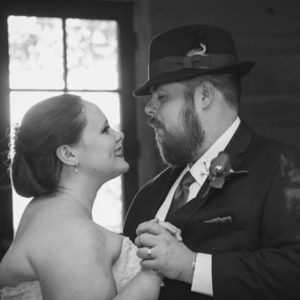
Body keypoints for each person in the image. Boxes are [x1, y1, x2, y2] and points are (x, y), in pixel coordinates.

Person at [123, 24, 300, 300]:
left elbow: (294, 269)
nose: (148, 110)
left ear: (204, 95)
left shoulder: (286, 167)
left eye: (161, 96)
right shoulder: (149, 195)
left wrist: (191, 267)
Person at [0, 94, 168, 300]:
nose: (120, 135)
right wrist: (152, 271)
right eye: (105, 130)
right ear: (69, 155)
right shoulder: (70, 233)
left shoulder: (45, 209)